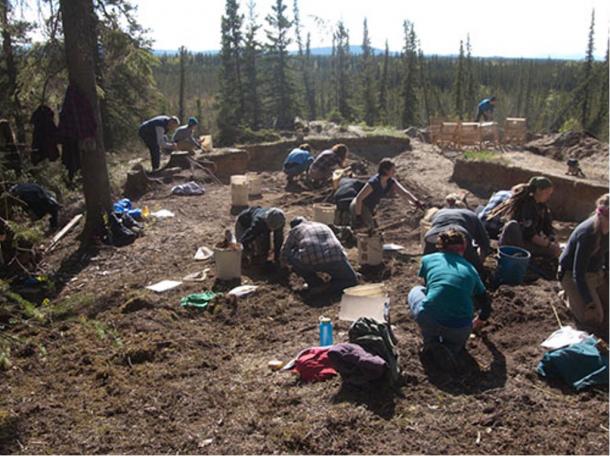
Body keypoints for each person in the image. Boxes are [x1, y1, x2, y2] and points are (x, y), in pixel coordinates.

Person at [408, 229, 492, 365]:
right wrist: (479, 321)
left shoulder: (428, 259)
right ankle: (451, 349)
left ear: (441, 246)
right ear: (464, 248)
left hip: (430, 318)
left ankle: (431, 342)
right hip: (460, 327)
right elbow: (486, 305)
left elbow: (431, 287)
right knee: (455, 343)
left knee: (417, 290)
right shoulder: (471, 270)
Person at [559, 194, 609, 328]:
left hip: (596, 274)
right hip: (575, 276)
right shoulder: (588, 234)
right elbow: (578, 273)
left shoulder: (607, 231)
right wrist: (588, 302)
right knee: (594, 319)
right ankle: (567, 296)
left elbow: (607, 254)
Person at [280, 217, 358, 295]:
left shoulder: (295, 230)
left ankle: (314, 283)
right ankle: (328, 287)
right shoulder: (322, 225)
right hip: (336, 257)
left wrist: (283, 265)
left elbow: (285, 250)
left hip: (310, 260)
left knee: (291, 253)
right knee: (351, 280)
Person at [488, 176, 560, 258]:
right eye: (547, 193)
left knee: (553, 251)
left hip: (528, 242)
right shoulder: (526, 205)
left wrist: (553, 238)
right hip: (518, 241)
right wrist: (548, 245)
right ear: (538, 190)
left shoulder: (542, 207)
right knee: (512, 225)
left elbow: (547, 227)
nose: (548, 196)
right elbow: (529, 234)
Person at [351, 158, 423, 229]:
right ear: (385, 170)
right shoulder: (374, 182)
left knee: (374, 231)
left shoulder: (390, 181)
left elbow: (404, 193)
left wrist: (417, 202)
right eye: (392, 170)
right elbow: (359, 198)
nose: (395, 171)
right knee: (370, 231)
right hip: (359, 206)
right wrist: (358, 217)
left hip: (368, 208)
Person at [423, 207, 490, 273]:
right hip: (458, 232)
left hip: (433, 234)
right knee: (473, 268)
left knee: (429, 264)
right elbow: (484, 243)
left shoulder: (440, 212)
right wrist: (479, 262)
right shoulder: (472, 215)